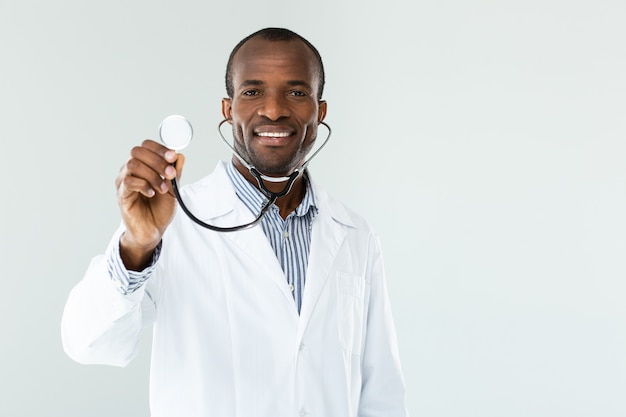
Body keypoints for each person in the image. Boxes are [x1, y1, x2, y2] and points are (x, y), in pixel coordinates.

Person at [62, 27, 408, 417]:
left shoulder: (356, 234)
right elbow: (89, 343)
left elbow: (381, 392)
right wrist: (137, 245)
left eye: (296, 92)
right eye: (252, 92)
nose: (274, 110)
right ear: (227, 110)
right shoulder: (173, 222)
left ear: (320, 111)